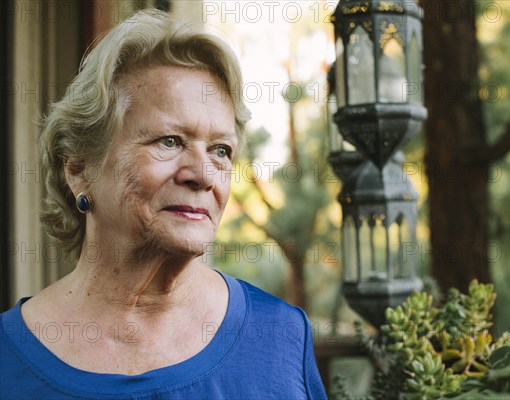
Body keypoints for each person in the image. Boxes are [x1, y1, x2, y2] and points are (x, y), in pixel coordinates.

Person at [0, 9, 327, 399]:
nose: (203, 174)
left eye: (220, 150)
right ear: (79, 169)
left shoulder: (281, 337)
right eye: (169, 141)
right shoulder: (8, 360)